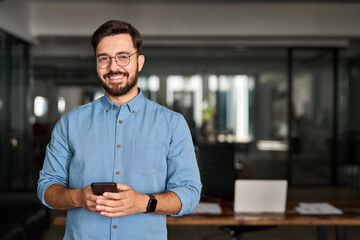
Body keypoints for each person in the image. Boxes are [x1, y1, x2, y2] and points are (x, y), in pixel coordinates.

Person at [37, 20, 202, 240]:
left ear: (139, 62)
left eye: (123, 57)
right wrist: (78, 197)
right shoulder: (70, 123)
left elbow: (189, 192)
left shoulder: (172, 124)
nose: (113, 67)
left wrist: (142, 202)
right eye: (104, 58)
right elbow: (46, 188)